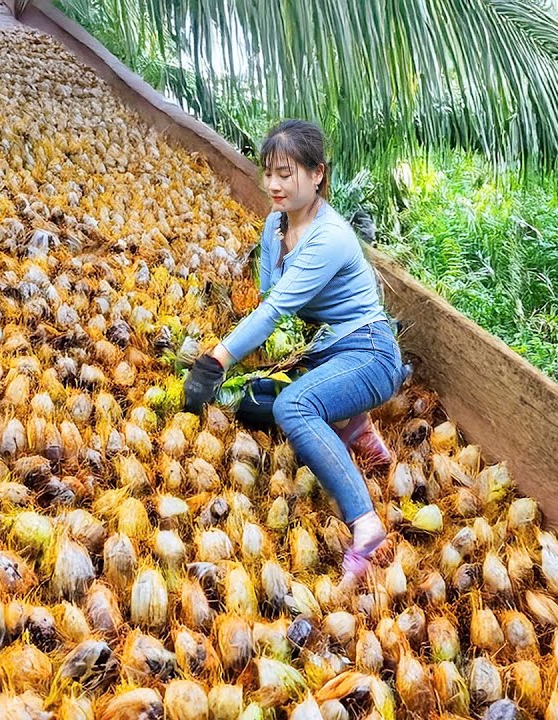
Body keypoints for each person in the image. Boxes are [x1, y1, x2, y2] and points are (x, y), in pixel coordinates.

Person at [181, 119, 406, 585]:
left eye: (286, 173)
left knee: (293, 406)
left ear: (317, 173)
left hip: (370, 352)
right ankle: (360, 430)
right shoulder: (273, 228)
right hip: (326, 351)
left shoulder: (331, 237)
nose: (273, 185)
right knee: (259, 399)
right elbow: (267, 303)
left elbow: (278, 309)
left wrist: (215, 361)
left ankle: (366, 529)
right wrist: (240, 361)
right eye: (269, 173)